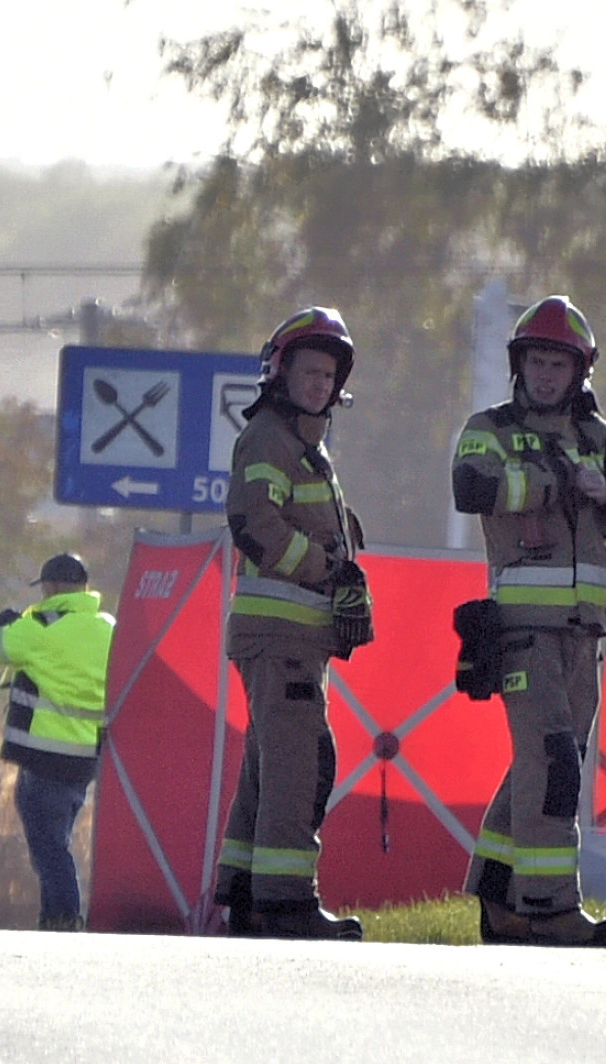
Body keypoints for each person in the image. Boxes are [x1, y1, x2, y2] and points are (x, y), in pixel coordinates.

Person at [451, 295, 606, 947]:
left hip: (585, 636)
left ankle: (497, 892)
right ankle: (547, 906)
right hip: (522, 631)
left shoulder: (602, 441)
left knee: (544, 762)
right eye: (536, 362)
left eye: (558, 365)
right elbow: (471, 488)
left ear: (579, 373)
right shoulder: (489, 428)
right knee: (554, 764)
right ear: (520, 365)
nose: (546, 375)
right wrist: (550, 485)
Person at [211, 306, 373, 941]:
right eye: (308, 370)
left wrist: (342, 580)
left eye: (328, 374)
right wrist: (329, 574)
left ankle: (248, 891)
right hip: (278, 636)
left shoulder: (310, 449)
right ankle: (286, 901)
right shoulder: (270, 440)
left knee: (272, 761)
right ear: (281, 373)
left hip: (297, 639)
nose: (318, 383)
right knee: (300, 762)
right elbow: (255, 525)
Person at [0, 552, 116, 931]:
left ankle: (63, 917)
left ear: (52, 587)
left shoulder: (40, 624)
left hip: (44, 754)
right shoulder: (108, 626)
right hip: (86, 759)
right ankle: (54, 917)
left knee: (48, 845)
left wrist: (5, 626)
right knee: (57, 839)